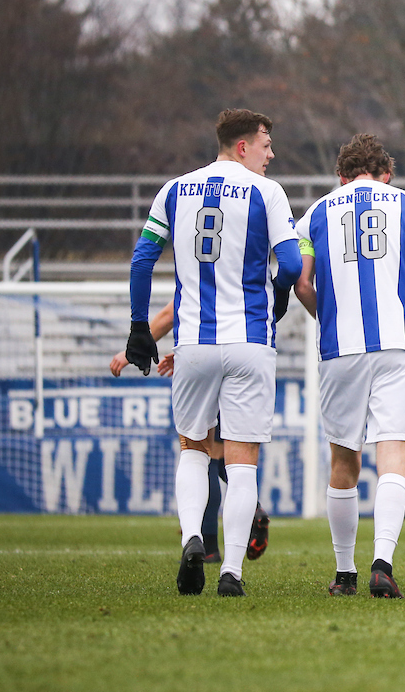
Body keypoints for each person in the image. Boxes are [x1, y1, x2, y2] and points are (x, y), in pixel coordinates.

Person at [124, 109, 300, 597]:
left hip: (194, 344)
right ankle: (233, 572)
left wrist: (141, 328)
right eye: (266, 145)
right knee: (243, 462)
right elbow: (288, 263)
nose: (272, 154)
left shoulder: (174, 189)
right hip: (249, 343)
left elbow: (142, 260)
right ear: (242, 146)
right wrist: (279, 293)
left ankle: (193, 540)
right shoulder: (267, 192)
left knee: (193, 450)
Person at [293, 134, 405, 599]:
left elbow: (303, 284)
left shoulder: (316, 212)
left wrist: (329, 316)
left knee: (343, 458)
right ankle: (383, 564)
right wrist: (404, 312)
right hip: (397, 342)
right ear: (387, 173)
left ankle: (345, 571)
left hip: (341, 347)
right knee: (393, 454)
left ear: (341, 175)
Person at [112, 307, 273, 566]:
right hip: (247, 355)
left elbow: (168, 313)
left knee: (200, 453)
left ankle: (206, 544)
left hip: (202, 353)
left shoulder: (198, 272)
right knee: (228, 457)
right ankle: (249, 516)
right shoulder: (249, 276)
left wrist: (134, 349)